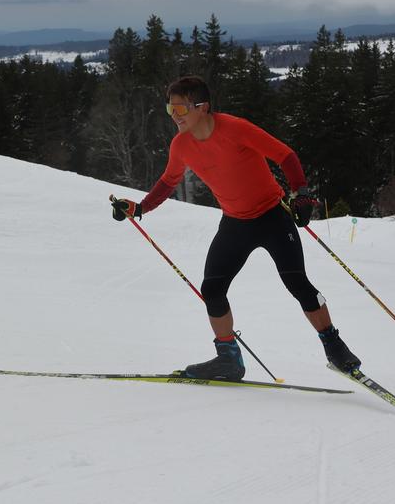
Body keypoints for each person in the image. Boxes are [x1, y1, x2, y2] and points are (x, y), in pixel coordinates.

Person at [111, 75, 362, 380]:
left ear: (203, 107)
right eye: (170, 109)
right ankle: (228, 359)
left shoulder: (235, 128)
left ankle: (334, 347)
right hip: (235, 224)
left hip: (273, 216)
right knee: (212, 290)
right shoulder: (181, 145)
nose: (174, 116)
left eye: (180, 108)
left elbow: (286, 155)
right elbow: (168, 181)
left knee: (299, 285)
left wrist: (301, 193)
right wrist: (139, 209)